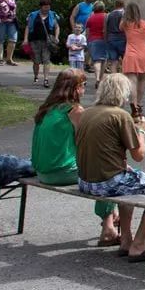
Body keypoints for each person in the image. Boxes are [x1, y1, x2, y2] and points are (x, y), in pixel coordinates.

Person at [74, 73, 145, 262]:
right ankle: (138, 245)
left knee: (129, 179)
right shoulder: (120, 115)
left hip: (85, 181)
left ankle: (126, 239)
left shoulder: (87, 113)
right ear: (122, 93)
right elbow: (139, 155)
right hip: (106, 182)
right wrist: (141, 130)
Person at [32, 70, 117, 245]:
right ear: (76, 88)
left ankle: (111, 215)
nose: (85, 89)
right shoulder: (75, 110)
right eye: (83, 85)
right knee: (109, 171)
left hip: (41, 171)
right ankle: (108, 226)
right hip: (60, 172)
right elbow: (89, 144)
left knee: (103, 167)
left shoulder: (47, 109)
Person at [120, 2, 145, 113]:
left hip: (131, 53)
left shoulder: (125, 24)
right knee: (142, 80)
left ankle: (133, 103)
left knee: (132, 81)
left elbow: (120, 28)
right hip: (144, 53)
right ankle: (139, 103)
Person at [22, 0, 60, 88]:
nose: (47, 8)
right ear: (41, 7)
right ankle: (36, 76)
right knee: (36, 61)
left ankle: (46, 79)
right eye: (45, 7)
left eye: (48, 6)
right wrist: (25, 39)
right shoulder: (33, 15)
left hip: (47, 41)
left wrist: (56, 37)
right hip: (34, 40)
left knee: (46, 60)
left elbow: (57, 27)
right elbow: (28, 27)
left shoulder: (52, 15)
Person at [86, 1, 108, 86]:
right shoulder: (106, 16)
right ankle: (101, 79)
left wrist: (88, 42)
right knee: (104, 59)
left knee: (96, 60)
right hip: (104, 39)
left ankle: (97, 78)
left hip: (93, 40)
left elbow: (87, 32)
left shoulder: (90, 18)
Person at [103, 0, 127, 77]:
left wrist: (105, 39)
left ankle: (114, 79)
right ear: (123, 4)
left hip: (111, 39)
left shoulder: (109, 15)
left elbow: (105, 29)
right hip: (122, 38)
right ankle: (125, 78)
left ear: (115, 4)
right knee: (125, 60)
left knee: (114, 61)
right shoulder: (124, 14)